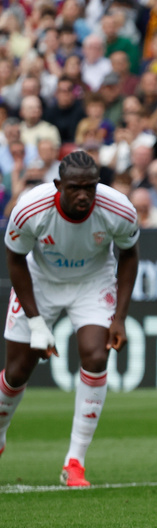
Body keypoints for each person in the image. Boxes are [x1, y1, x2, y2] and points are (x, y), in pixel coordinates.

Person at [0, 151, 140, 486]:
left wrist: (119, 317)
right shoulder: (31, 208)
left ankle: (74, 462)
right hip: (39, 281)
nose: (84, 195)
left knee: (95, 354)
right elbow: (16, 259)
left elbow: (129, 254)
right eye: (75, 187)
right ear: (58, 185)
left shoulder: (118, 209)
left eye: (90, 187)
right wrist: (36, 323)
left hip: (93, 282)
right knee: (18, 371)